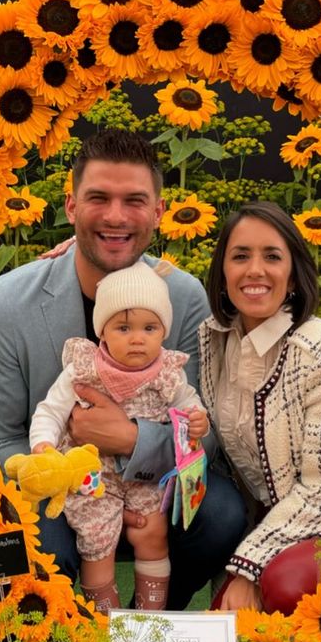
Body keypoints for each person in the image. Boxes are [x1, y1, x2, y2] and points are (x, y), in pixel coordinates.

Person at [0, 129, 247, 608]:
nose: (116, 216)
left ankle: (158, 625)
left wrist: (131, 442)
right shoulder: (5, 304)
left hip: (153, 485)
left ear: (159, 212)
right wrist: (61, 467)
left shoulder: (183, 299)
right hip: (59, 485)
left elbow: (206, 432)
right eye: (98, 197)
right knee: (40, 545)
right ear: (72, 206)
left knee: (222, 512)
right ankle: (73, 641)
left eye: (135, 200)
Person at [198, 201, 321, 613]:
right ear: (223, 271)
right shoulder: (213, 340)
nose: (255, 270)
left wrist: (247, 566)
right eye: (240, 256)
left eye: (272, 256)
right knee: (225, 636)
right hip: (268, 520)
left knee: (287, 584)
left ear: (294, 274)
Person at [27, 261, 209, 612]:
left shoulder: (168, 373)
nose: (138, 338)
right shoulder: (83, 369)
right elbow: (50, 410)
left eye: (150, 327)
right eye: (123, 327)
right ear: (103, 332)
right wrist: (44, 447)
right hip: (92, 478)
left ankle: (148, 618)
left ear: (163, 331)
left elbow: (190, 406)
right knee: (97, 542)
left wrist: (199, 422)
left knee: (152, 532)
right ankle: (105, 625)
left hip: (145, 476)